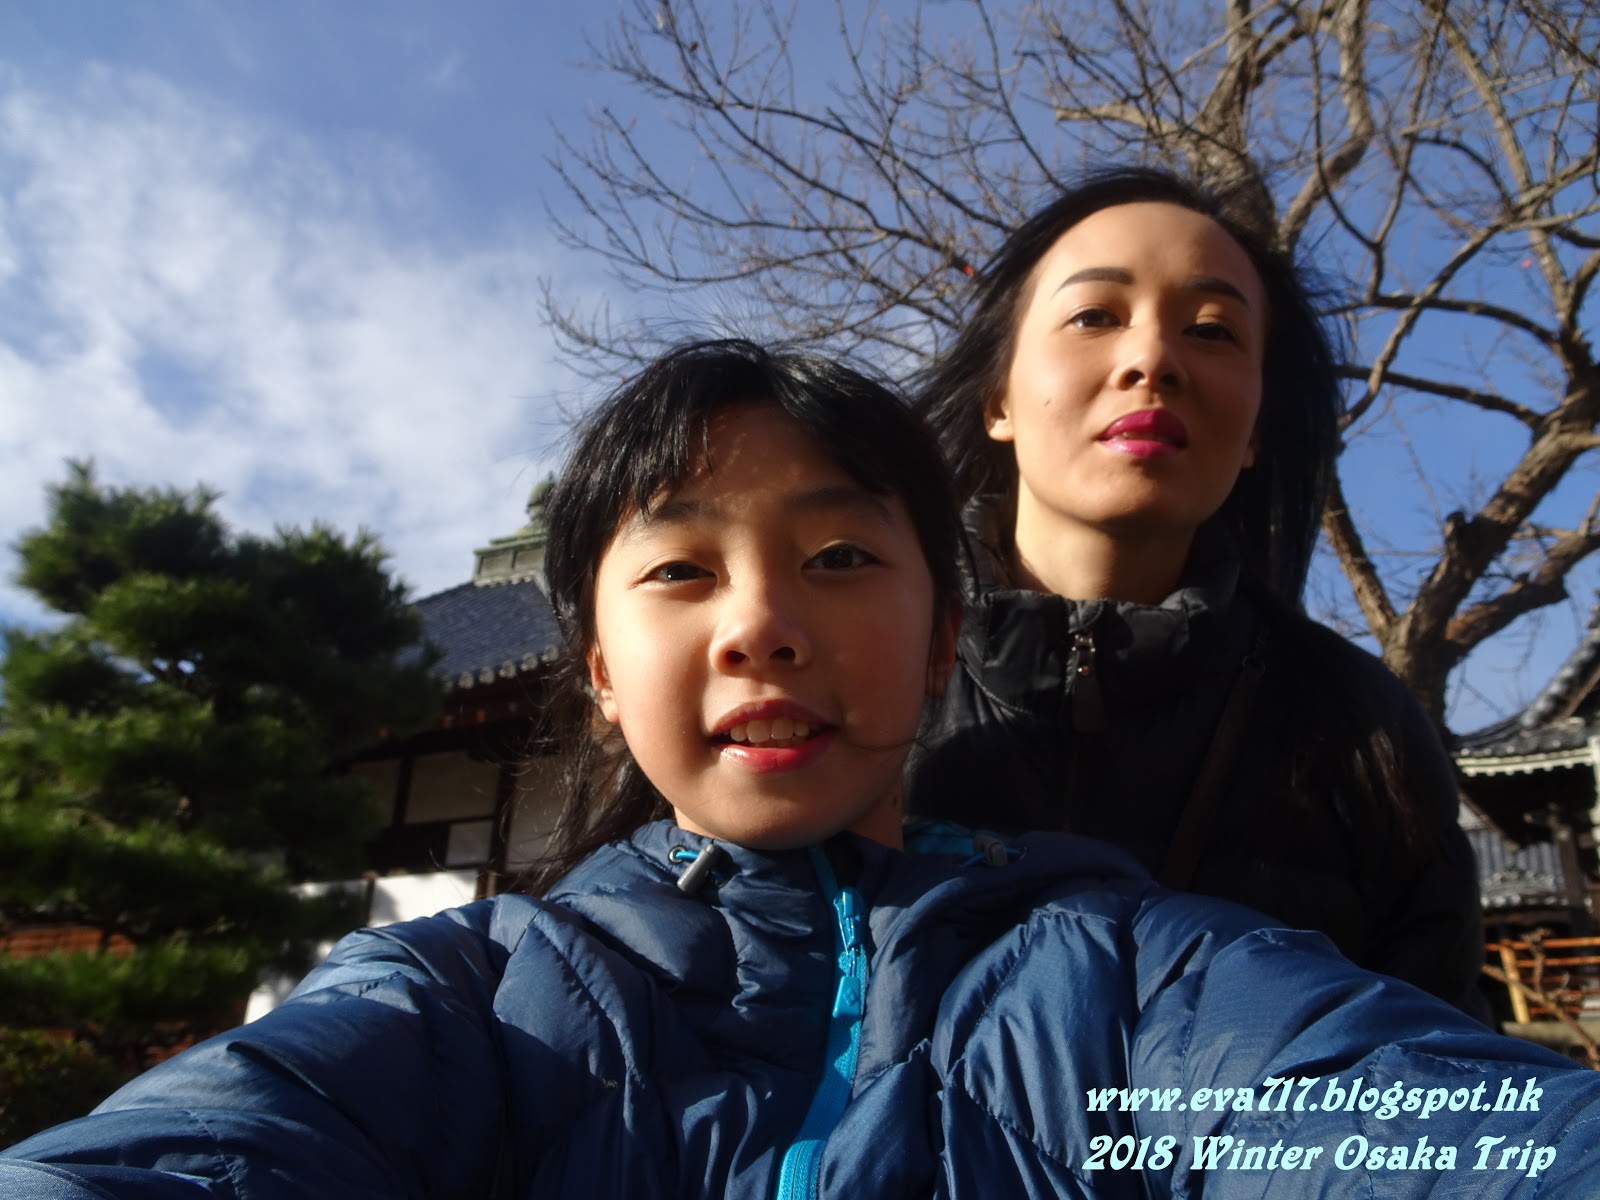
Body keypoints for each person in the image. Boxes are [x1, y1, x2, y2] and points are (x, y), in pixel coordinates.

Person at [5, 339, 1597, 1199]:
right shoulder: (466, 1000)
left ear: (943, 633)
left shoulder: (1130, 979)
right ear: (600, 677)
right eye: (678, 571)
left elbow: (1429, 1134)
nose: (762, 622)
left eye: (840, 558)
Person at [907, 168, 1488, 1015]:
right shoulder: (848, 659)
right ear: (998, 398)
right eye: (1094, 316)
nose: (1152, 359)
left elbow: (1432, 1068)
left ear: (1255, 433)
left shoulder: (1367, 735)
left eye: (1212, 331)